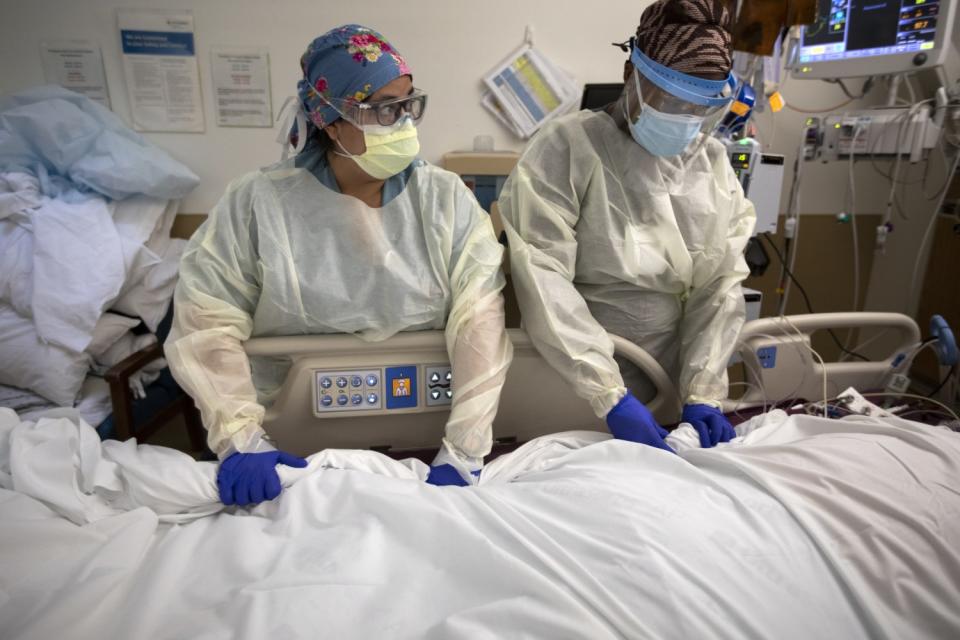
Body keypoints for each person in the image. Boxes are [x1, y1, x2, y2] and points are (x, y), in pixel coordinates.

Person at [166, 25, 512, 505]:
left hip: (429, 440)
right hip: (287, 443)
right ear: (330, 120)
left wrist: (466, 449)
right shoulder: (258, 204)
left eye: (409, 103)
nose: (405, 122)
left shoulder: (445, 200)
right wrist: (241, 438)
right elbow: (205, 322)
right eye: (384, 109)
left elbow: (480, 317)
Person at [498, 0, 755, 453]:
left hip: (673, 388)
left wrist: (703, 393)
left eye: (697, 107)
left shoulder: (710, 165)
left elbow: (718, 287)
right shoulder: (567, 149)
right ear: (631, 75)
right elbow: (542, 278)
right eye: (672, 99)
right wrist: (606, 393)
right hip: (571, 384)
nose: (683, 117)